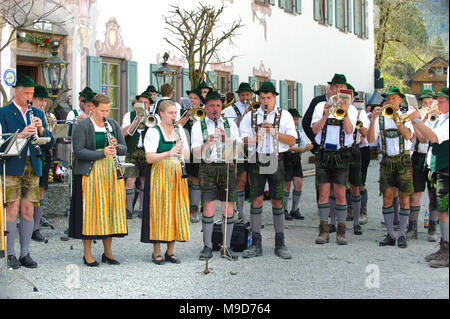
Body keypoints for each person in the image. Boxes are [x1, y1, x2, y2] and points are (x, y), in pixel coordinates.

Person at [0, 74, 54, 269]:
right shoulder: (4, 113)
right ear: (17, 91)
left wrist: (41, 131)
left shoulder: (37, 114)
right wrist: (21, 135)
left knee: (28, 209)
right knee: (12, 209)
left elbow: (50, 141)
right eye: (26, 93)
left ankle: (25, 253)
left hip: (34, 164)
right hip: (13, 165)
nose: (29, 97)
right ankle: (10, 253)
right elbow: (1, 143)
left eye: (31, 94)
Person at [240, 81, 297, 259]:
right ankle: (256, 243)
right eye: (262, 98)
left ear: (274, 97)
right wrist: (254, 139)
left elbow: (292, 141)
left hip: (276, 158)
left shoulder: (285, 115)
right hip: (256, 158)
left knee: (277, 200)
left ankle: (280, 243)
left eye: (268, 98)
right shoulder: (250, 116)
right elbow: (241, 140)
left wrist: (275, 133)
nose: (265, 101)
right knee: (256, 200)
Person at [69, 94, 128, 267]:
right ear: (92, 108)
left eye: (108, 110)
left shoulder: (113, 125)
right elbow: (79, 151)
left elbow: (124, 149)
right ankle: (87, 254)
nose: (105, 113)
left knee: (109, 211)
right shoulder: (83, 125)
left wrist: (116, 146)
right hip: (90, 175)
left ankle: (108, 252)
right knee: (90, 214)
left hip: (110, 173)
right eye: (102, 110)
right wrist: (102, 153)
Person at [192, 90, 242, 261]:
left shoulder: (230, 124)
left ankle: (226, 247)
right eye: (211, 105)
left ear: (222, 107)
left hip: (227, 167)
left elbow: (239, 150)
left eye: (218, 106)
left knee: (228, 207)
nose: (215, 109)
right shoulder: (199, 125)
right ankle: (207, 246)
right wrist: (207, 143)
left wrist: (226, 139)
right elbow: (195, 154)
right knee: (208, 207)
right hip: (208, 167)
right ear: (205, 107)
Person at [141, 99, 190, 265]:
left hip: (177, 174)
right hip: (159, 174)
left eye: (175, 113)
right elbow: (149, 158)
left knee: (175, 209)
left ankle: (171, 250)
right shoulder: (153, 131)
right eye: (170, 113)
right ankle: (156, 251)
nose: (174, 116)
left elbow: (188, 156)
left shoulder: (179, 129)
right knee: (159, 210)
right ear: (161, 114)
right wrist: (169, 153)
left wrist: (182, 149)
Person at [311, 76, 357, 245]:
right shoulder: (319, 106)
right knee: (323, 193)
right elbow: (315, 130)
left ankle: (341, 231)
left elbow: (350, 131)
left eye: (341, 87)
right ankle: (323, 231)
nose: (337, 91)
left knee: (340, 193)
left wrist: (344, 112)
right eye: (334, 87)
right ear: (330, 89)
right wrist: (325, 114)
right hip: (323, 153)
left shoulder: (351, 108)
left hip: (341, 153)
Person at [367, 86, 414, 248]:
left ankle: (401, 234)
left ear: (400, 100)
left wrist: (397, 120)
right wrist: (372, 119)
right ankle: (390, 234)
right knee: (387, 197)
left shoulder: (405, 116)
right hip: (387, 161)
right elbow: (371, 140)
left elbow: (408, 135)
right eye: (388, 99)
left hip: (403, 160)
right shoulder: (381, 118)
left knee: (404, 198)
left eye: (393, 98)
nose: (390, 101)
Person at [409, 87, 449, 268]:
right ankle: (443, 246)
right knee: (441, 210)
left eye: (441, 101)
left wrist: (417, 119)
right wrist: (418, 122)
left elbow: (433, 138)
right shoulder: (441, 118)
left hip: (446, 168)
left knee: (445, 211)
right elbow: (423, 138)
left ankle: (447, 252)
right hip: (438, 167)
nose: (436, 104)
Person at [406, 89, 438, 241]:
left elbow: (431, 138)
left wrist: (424, 119)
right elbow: (419, 137)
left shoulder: (438, 118)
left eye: (430, 103)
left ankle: (432, 228)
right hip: (418, 156)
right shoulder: (415, 117)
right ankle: (412, 228)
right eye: (425, 103)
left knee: (433, 194)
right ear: (421, 104)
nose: (428, 105)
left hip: (432, 157)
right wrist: (420, 119)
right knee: (416, 193)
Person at [223, 82, 253, 223]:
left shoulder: (257, 107)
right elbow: (230, 128)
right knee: (240, 181)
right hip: (239, 147)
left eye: (247, 95)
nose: (245, 97)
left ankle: (254, 214)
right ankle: (240, 213)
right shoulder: (230, 110)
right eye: (242, 95)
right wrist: (243, 117)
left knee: (254, 181)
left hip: (253, 146)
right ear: (239, 95)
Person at [121, 92, 154, 219]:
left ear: (150, 104)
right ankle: (128, 210)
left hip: (146, 151)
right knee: (130, 179)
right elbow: (124, 133)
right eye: (140, 102)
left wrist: (147, 119)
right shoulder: (129, 115)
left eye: (145, 102)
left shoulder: (154, 116)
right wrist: (136, 120)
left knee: (145, 180)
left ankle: (143, 209)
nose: (143, 105)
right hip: (132, 150)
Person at [30, 85, 54, 242]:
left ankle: (35, 227)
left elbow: (50, 141)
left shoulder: (43, 115)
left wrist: (43, 129)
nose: (43, 103)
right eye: (40, 100)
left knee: (39, 192)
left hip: (42, 156)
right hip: (25, 156)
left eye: (45, 100)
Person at [283, 108, 313, 220]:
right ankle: (284, 209)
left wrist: (307, 147)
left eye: (296, 119)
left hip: (296, 159)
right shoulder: (284, 131)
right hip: (286, 158)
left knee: (298, 183)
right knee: (286, 185)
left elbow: (305, 145)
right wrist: (299, 148)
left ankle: (294, 209)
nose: (295, 121)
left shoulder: (298, 133)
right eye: (293, 119)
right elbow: (284, 148)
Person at [184, 88, 205, 223]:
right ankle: (186, 207)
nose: (192, 100)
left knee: (196, 178)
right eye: (190, 98)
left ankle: (195, 208)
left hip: (198, 148)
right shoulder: (182, 112)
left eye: (195, 98)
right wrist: (186, 115)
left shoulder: (203, 112)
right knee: (187, 177)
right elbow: (176, 127)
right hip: (186, 147)